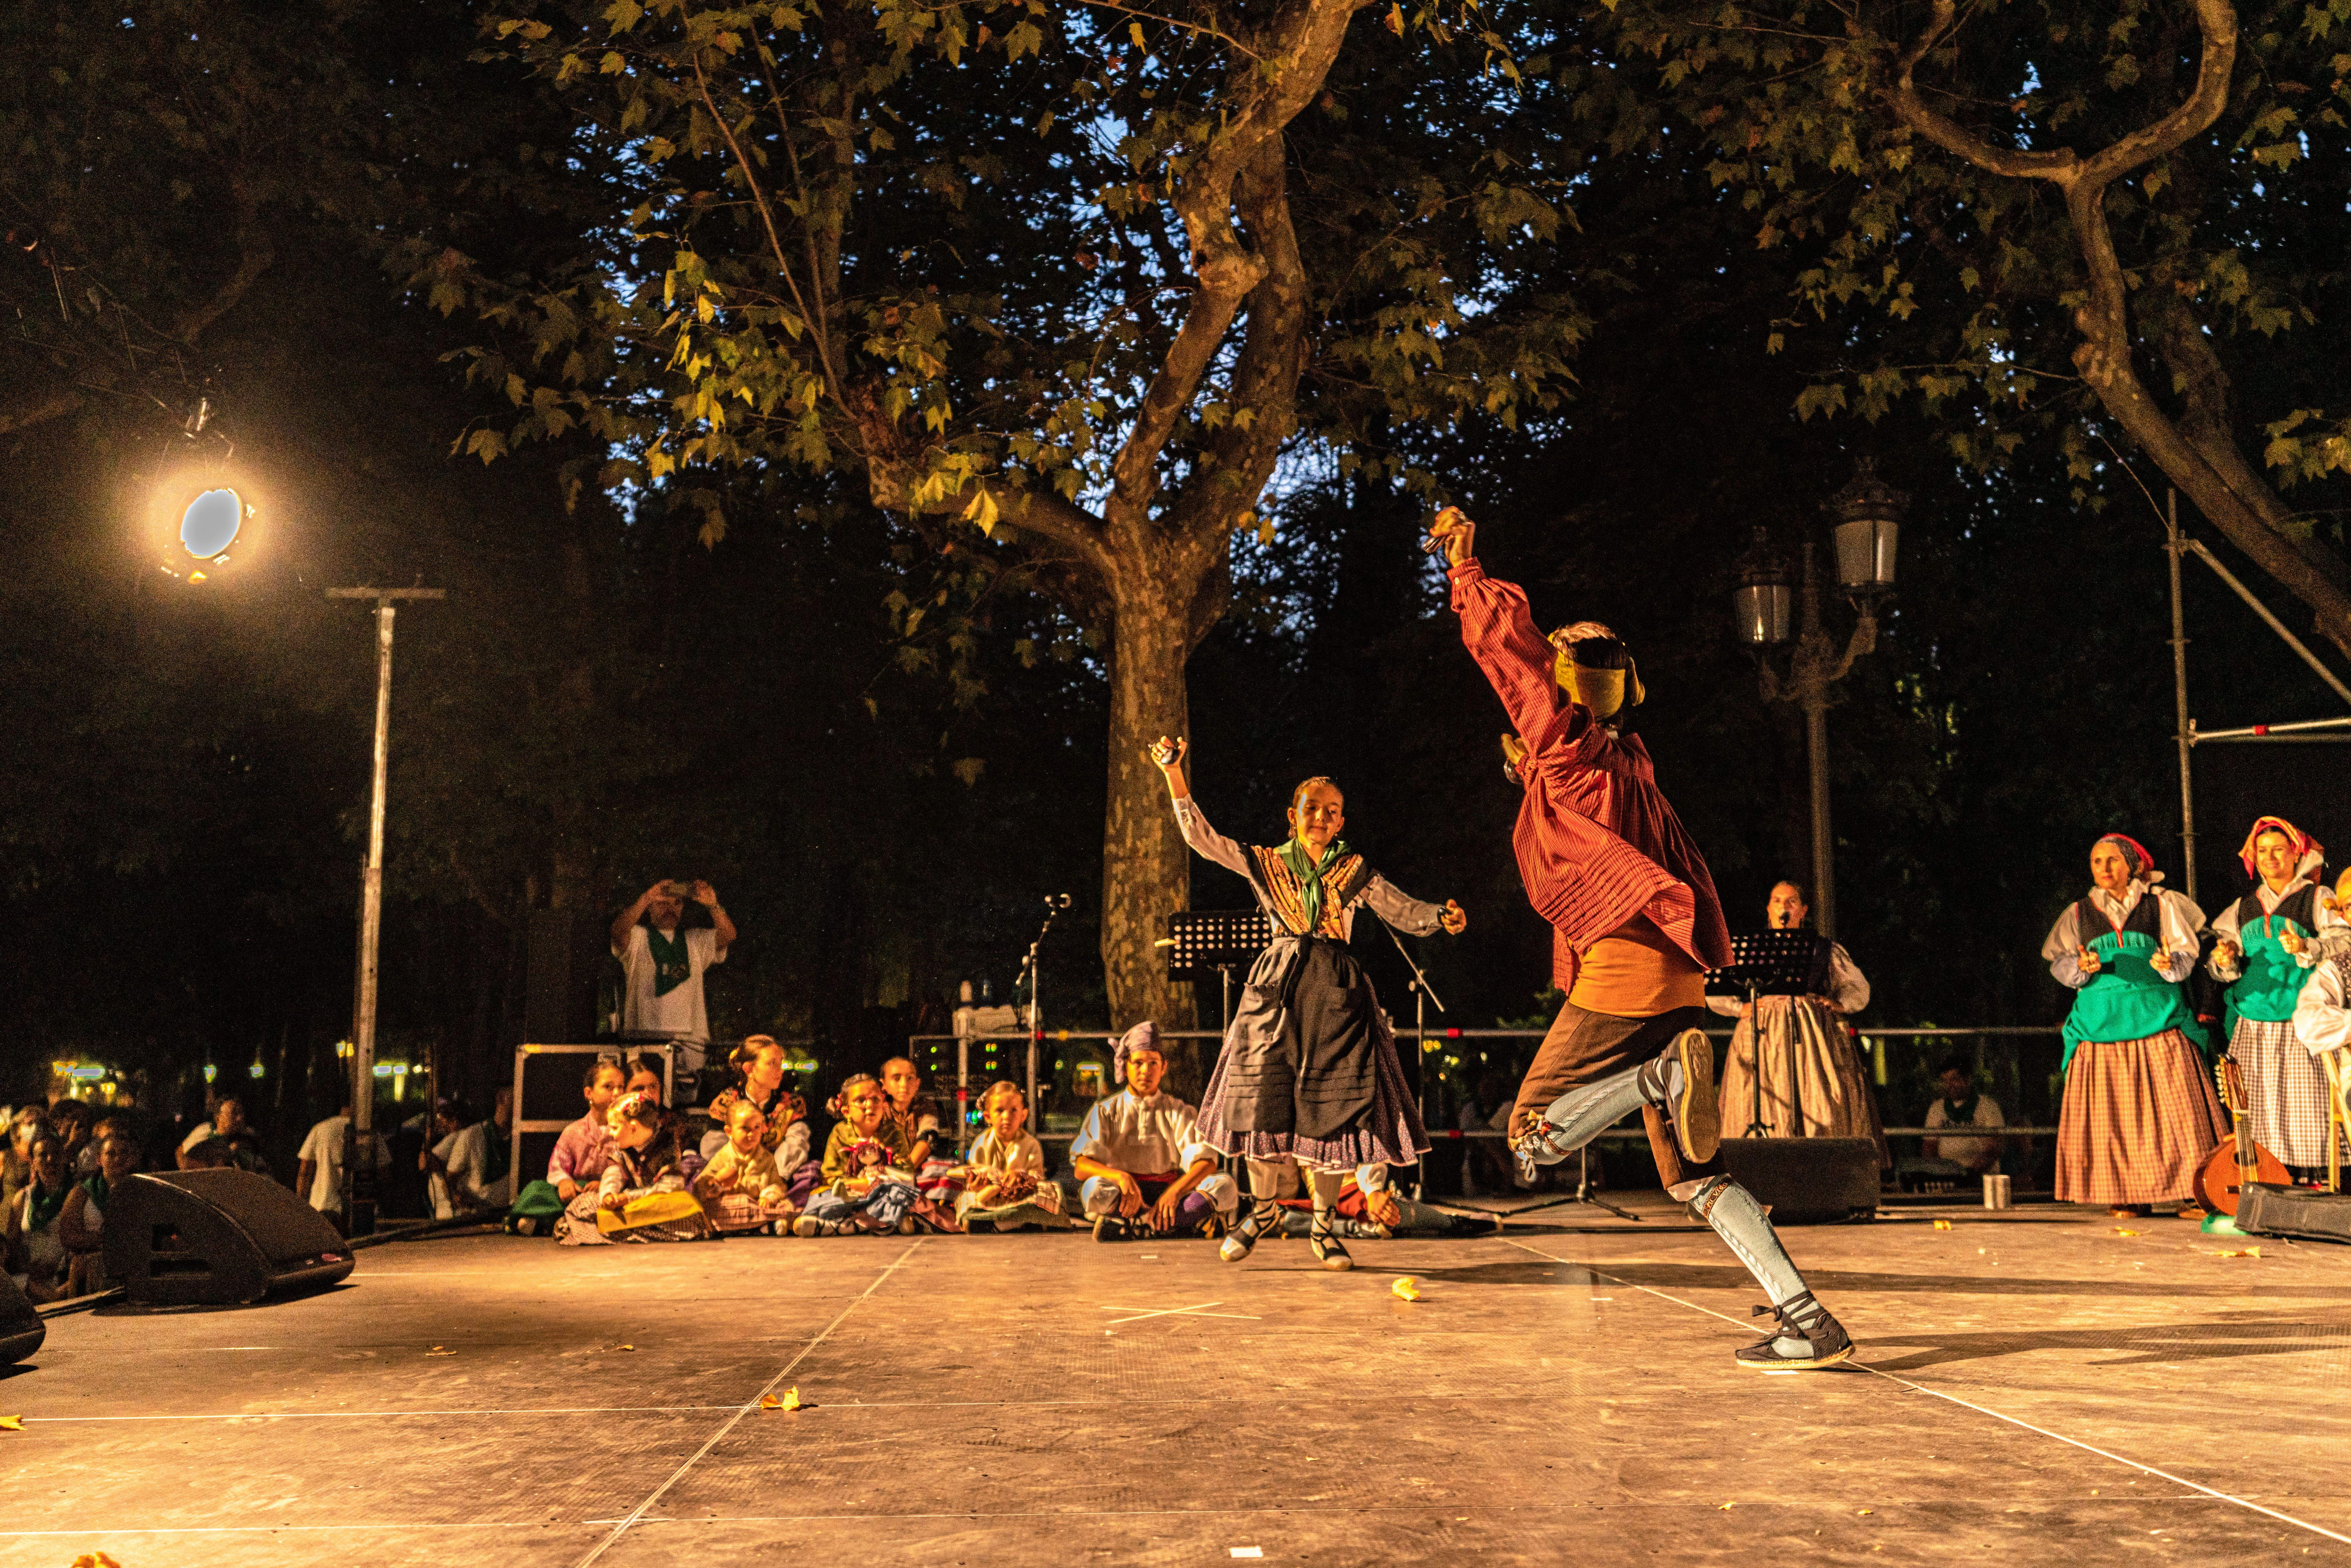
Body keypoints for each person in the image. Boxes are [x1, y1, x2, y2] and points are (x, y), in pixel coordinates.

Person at [1433, 504, 1850, 1370]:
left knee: (1532, 1137)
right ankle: (1803, 1316)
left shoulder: (1573, 749)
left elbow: (1513, 669)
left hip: (1622, 966)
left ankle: (1654, 1077)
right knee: (1693, 1174)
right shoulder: (1633, 763)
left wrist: (1468, 577)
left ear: (1568, 685)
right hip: (1674, 973)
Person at [1151, 741, 1463, 1270]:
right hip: (1274, 991)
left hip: (1335, 996)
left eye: (1331, 810)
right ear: (1292, 816)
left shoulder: (1354, 870)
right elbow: (1200, 839)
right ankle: (1264, 1210)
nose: (1321, 816)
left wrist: (1440, 916)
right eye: (1311, 808)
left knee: (1332, 1115)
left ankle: (1323, 1226)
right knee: (1257, 1103)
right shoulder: (1267, 862)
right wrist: (1174, 772)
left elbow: (1401, 909)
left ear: (1341, 822)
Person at [2042, 833, 2224, 1216]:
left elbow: (2186, 952)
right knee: (2114, 1116)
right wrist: (2081, 968)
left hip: (2157, 1016)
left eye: (2112, 860)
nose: (2105, 868)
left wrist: (2168, 965)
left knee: (2179, 1111)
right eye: (2097, 862)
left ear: (2132, 865)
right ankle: (2127, 1192)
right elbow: (2059, 962)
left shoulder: (2160, 904)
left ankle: (2194, 1189)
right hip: (2102, 1025)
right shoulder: (2079, 913)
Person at [1710, 881, 1888, 1164]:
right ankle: (1760, 1168)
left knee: (1820, 1099)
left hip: (1810, 1030)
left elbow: (1857, 987)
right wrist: (1739, 1007)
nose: (1784, 907)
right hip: (1762, 1028)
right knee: (1759, 1097)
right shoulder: (1752, 948)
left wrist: (1840, 1005)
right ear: (1769, 909)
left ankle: (1822, 1170)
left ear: (1803, 910)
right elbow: (1715, 987)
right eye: (1778, 901)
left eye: (1791, 902)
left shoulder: (1822, 948)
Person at [2207, 817, 2341, 1178]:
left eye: (2278, 850)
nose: (2270, 857)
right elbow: (2219, 966)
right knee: (2259, 1105)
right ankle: (2270, 1176)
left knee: (2308, 1104)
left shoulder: (2317, 898)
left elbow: (2345, 943)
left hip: (2300, 1018)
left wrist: (2307, 946)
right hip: (2253, 1021)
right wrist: (2225, 959)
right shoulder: (2242, 907)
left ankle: (2316, 1177)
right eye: (2262, 851)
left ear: (2295, 854)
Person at [1068, 1023, 1240, 1244]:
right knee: (1092, 1191)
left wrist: (1174, 1193)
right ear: (1126, 1066)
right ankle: (1176, 1224)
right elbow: (1082, 1167)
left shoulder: (1178, 1111)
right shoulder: (1105, 1111)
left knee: (1225, 1186)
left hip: (1170, 1196)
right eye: (1138, 1063)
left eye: (1153, 1063)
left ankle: (1136, 1224)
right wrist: (1122, 1177)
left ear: (1164, 1067)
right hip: (1126, 1196)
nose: (1146, 1071)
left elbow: (1206, 1164)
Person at [609, 879, 736, 1079]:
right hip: (645, 1040)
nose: (671, 909)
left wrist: (713, 905)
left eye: (676, 904)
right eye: (662, 904)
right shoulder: (639, 938)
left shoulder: (695, 940)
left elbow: (728, 936)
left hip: (691, 1043)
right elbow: (618, 932)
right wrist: (646, 898)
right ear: (650, 909)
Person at [557, 1092, 710, 1245]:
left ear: (634, 1129)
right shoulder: (623, 1148)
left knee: (681, 1208)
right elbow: (614, 1173)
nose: (611, 1133)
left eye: (615, 1128)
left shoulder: (667, 1146)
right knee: (584, 1202)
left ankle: (618, 1231)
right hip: (630, 1206)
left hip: (654, 1204)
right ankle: (634, 1231)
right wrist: (608, 1194)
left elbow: (670, 1186)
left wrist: (630, 1197)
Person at [796, 1075, 923, 1236]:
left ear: (884, 1105)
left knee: (899, 1194)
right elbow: (830, 1174)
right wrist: (857, 1184)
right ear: (847, 1111)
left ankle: (844, 1226)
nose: (869, 1105)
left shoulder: (893, 1132)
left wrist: (880, 1179)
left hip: (883, 1191)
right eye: (861, 1100)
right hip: (851, 1195)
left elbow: (907, 1172)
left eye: (875, 1100)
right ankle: (869, 1224)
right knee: (821, 1199)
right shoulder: (840, 1133)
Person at [701, 1037, 816, 1205]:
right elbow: (713, 1144)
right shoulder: (727, 1102)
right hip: (734, 1174)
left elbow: (797, 1141)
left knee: (810, 1175)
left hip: (777, 1175)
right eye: (772, 1064)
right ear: (750, 1069)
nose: (781, 1070)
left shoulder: (791, 1104)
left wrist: (776, 1177)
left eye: (781, 1064)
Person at [959, 1081, 1066, 1232]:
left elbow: (1037, 1176)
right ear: (988, 1117)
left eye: (1014, 1111)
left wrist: (1021, 1176)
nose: (1007, 1117)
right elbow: (973, 1177)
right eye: (1000, 1111)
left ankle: (998, 1225)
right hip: (991, 1196)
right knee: (966, 1199)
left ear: (1024, 1115)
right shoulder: (981, 1145)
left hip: (1020, 1196)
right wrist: (976, 1186)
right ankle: (1012, 1223)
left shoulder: (1031, 1144)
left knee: (1047, 1190)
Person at [692, 1099, 798, 1234]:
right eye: (745, 1129)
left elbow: (776, 1185)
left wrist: (768, 1197)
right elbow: (701, 1187)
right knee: (718, 1208)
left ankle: (765, 1226)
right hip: (734, 1206)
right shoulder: (723, 1157)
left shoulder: (767, 1158)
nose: (752, 1134)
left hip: (759, 1205)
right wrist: (717, 1183)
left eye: (757, 1128)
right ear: (729, 1131)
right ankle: (766, 1226)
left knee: (786, 1206)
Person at [59, 1132, 137, 1296]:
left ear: (133, 1159)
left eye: (124, 1153)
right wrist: (106, 1239)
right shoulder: (82, 1193)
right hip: (94, 1263)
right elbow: (67, 1235)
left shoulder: (143, 1190)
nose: (118, 1159)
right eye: (111, 1154)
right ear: (100, 1160)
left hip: (132, 1259)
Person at [4, 1132, 73, 1303]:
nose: (50, 1160)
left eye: (56, 1153)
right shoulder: (23, 1198)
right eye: (42, 1155)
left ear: (64, 1157)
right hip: (31, 1281)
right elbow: (11, 1246)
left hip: (64, 1277)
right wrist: (26, 1268)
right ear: (33, 1162)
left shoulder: (76, 1194)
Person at [294, 1104, 393, 1223]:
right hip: (361, 1210)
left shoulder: (320, 1129)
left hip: (322, 1206)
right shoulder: (369, 1133)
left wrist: (300, 1210)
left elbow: (305, 1173)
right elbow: (385, 1175)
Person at [549, 1059, 628, 1203]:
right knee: (536, 1189)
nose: (617, 1093)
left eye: (621, 1087)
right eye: (608, 1087)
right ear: (589, 1093)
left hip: (613, 1197)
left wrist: (605, 1186)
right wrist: (564, 1182)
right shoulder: (573, 1132)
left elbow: (633, 1172)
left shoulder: (628, 1132)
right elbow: (557, 1168)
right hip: (579, 1194)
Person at [429, 1088, 515, 1218]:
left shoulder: (520, 1139)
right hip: (479, 1216)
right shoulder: (472, 1135)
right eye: (514, 1098)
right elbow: (449, 1180)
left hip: (508, 1213)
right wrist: (455, 1198)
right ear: (500, 1099)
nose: (519, 1103)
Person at [1921, 1059, 2007, 1176]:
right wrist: (1935, 1173)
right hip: (1947, 1176)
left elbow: (1994, 1148)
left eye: (1954, 1080)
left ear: (1968, 1079)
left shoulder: (1988, 1107)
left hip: (1981, 1177)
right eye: (1945, 1081)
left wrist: (1970, 1174)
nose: (1949, 1085)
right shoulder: (1937, 1108)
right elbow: (1929, 1147)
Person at [179, 1096, 268, 1176]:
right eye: (234, 1113)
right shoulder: (206, 1133)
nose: (240, 1118)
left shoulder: (249, 1137)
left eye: (241, 1113)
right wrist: (228, 1153)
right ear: (218, 1118)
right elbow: (185, 1159)